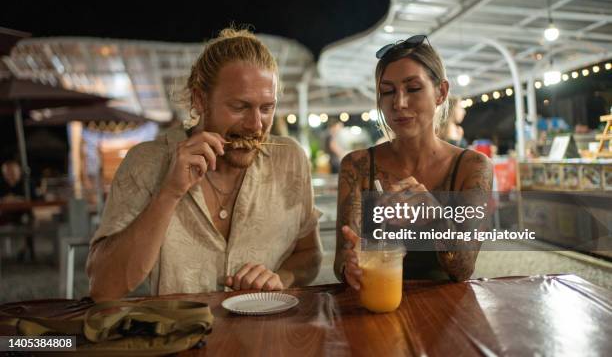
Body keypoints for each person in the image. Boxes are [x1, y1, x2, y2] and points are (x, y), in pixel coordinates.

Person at [87, 28, 322, 300]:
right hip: (179, 338)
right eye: (239, 107)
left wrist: (279, 278)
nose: (256, 125)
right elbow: (103, 287)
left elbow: (310, 255)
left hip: (267, 336)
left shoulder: (290, 159)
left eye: (267, 108)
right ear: (200, 100)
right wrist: (169, 193)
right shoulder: (146, 163)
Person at [334, 35, 493, 289]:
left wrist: (436, 217)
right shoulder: (359, 165)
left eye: (413, 88)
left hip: (444, 314)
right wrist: (350, 267)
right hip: (375, 305)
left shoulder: (471, 167)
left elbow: (462, 270)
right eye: (387, 92)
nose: (399, 103)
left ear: (441, 92)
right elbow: (342, 260)